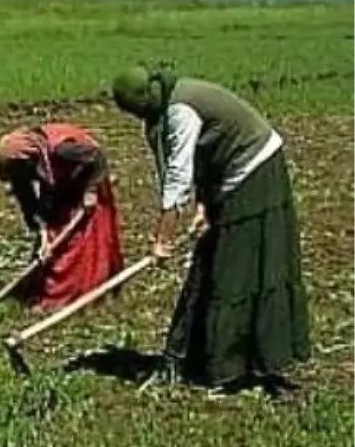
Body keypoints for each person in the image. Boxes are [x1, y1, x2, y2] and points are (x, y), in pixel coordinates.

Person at [110, 65, 311, 393]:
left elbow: (178, 176)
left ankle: (234, 364)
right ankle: (193, 356)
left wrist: (163, 239)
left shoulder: (180, 111)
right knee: (211, 261)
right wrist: (204, 205)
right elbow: (199, 162)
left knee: (235, 267)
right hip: (227, 175)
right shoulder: (164, 111)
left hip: (256, 169)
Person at [0, 123, 124, 311]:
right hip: (60, 187)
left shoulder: (62, 149)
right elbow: (30, 203)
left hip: (86, 180)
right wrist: (43, 235)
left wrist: (91, 191)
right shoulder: (24, 168)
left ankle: (80, 295)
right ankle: (42, 290)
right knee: (51, 245)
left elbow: (97, 157)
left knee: (81, 248)